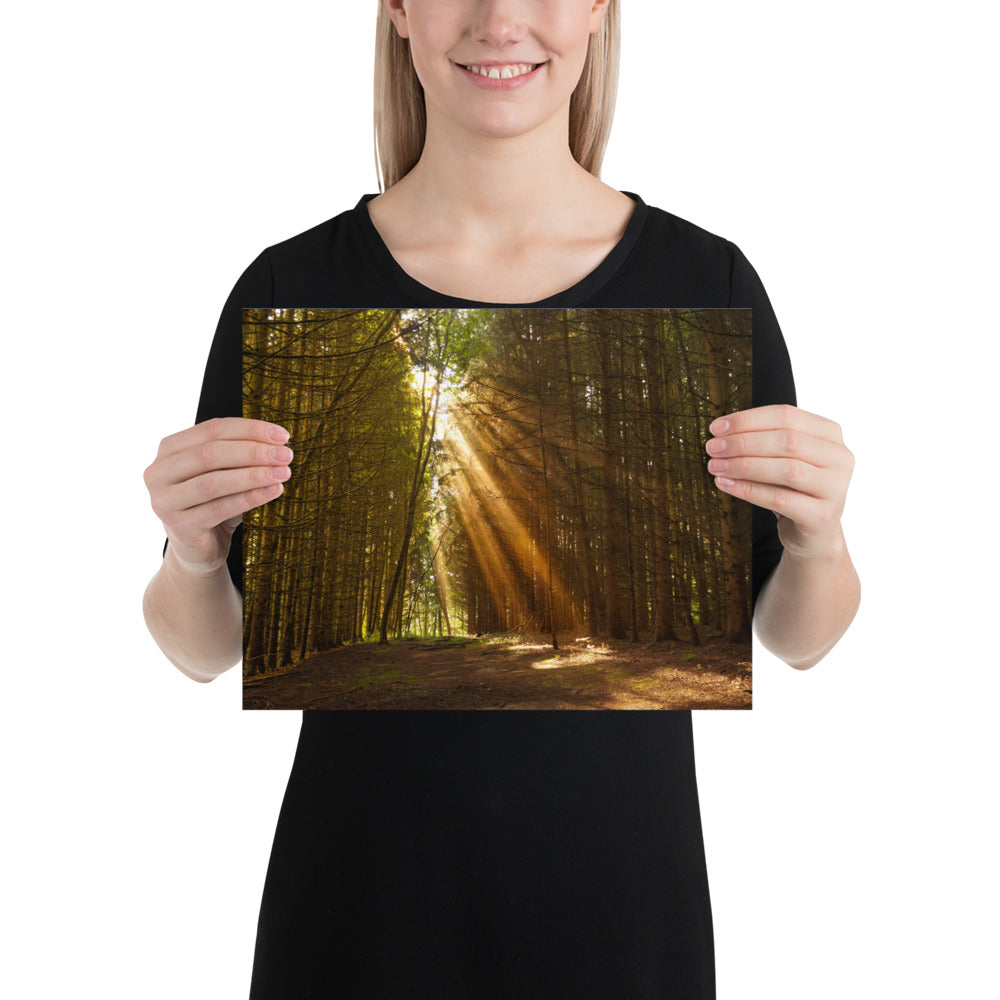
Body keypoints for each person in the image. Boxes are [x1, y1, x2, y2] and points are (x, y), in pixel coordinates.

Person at [143, 1, 860, 995]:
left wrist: (818, 538)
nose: (500, 18)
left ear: (601, 8)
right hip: (355, 927)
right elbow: (204, 646)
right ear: (397, 8)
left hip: (623, 931)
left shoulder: (705, 281)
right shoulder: (289, 284)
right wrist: (191, 552)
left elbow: (799, 636)